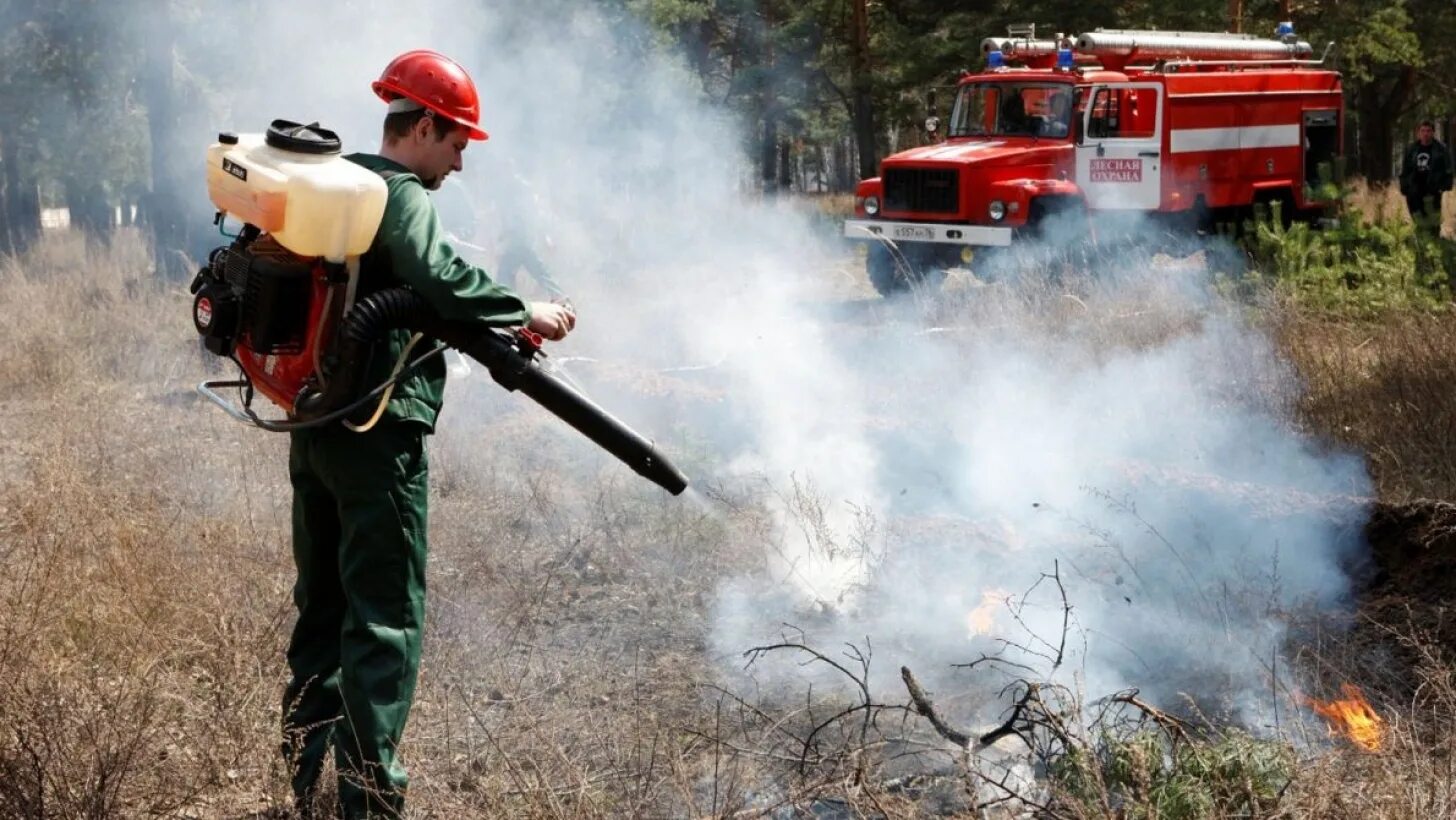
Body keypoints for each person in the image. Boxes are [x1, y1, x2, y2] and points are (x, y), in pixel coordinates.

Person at [280, 49, 576, 818]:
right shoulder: (398, 192)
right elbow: (440, 276)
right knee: (383, 621)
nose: (460, 162)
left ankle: (306, 785)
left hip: (313, 427)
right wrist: (524, 310)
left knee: (322, 611)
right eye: (456, 144)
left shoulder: (334, 186)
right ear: (421, 127)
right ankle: (369, 805)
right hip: (379, 432)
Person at [1399, 120, 1453, 226]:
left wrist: (1445, 185)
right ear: (1418, 133)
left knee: (1433, 218)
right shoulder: (1411, 149)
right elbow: (1405, 169)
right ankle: (1421, 239)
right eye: (1423, 131)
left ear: (1433, 132)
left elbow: (1448, 168)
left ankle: (1434, 239)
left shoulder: (1441, 149)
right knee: (1417, 218)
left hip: (1433, 188)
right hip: (1414, 188)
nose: (1425, 134)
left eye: (1428, 131)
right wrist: (1404, 186)